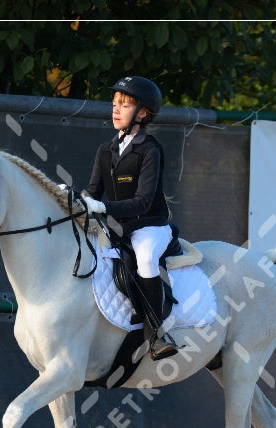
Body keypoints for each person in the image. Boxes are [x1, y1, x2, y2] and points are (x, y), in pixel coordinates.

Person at [81, 75, 180, 360]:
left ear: (143, 113)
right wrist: (74, 199)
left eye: (124, 105)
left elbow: (142, 201)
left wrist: (105, 208)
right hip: (116, 226)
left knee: (146, 257)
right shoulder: (105, 150)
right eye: (114, 104)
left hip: (149, 225)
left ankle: (156, 333)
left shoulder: (150, 150)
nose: (115, 109)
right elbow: (92, 191)